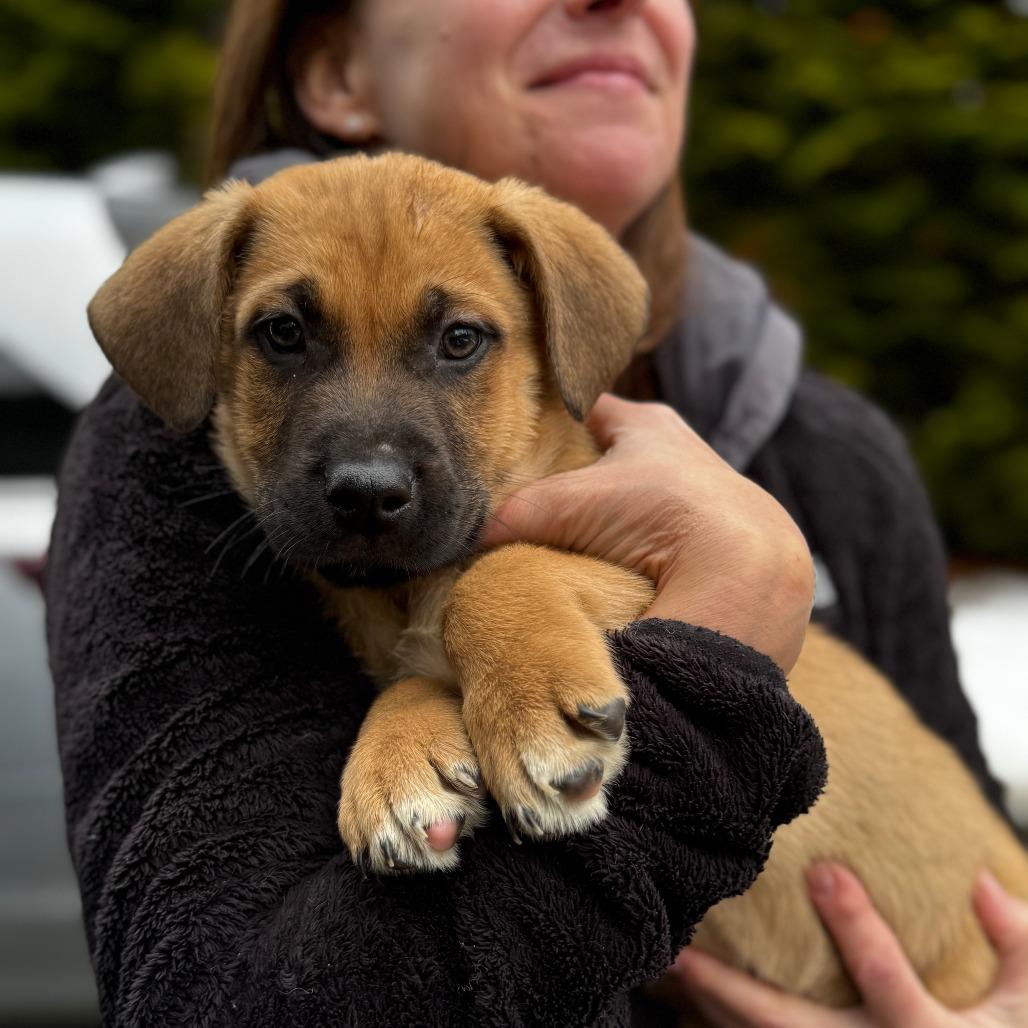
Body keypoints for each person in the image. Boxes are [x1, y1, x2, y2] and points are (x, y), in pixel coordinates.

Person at [45, 1, 1023, 1025]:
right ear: (336, 68)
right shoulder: (167, 451)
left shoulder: (837, 458)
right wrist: (729, 618)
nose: (371, 465)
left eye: (459, 340)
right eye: (287, 337)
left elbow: (991, 882)